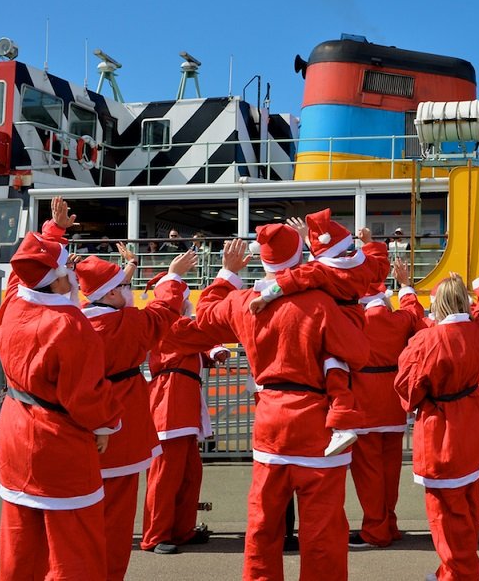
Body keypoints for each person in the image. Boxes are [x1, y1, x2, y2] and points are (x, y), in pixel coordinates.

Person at [195, 234, 371, 581]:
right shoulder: (320, 303)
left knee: (263, 527)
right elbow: (359, 354)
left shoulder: (243, 301)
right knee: (323, 532)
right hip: (317, 425)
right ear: (299, 260)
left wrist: (227, 274)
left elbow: (204, 316)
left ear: (262, 262)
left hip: (270, 423)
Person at [0, 197, 122, 580]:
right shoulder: (69, 325)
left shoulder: (12, 305)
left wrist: (53, 232)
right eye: (67, 265)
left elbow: (27, 272)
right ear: (57, 277)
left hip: (15, 432)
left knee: (20, 543)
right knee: (74, 548)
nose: (72, 269)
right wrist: (106, 426)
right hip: (58, 442)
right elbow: (86, 396)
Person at [75, 244, 196, 577]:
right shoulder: (126, 324)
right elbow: (163, 310)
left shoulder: (72, 321)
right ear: (111, 293)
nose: (127, 289)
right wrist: (174, 276)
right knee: (115, 516)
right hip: (121, 425)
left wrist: (128, 267)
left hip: (78, 429)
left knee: (77, 517)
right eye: (123, 285)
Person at [394, 246, 479, 581]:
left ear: (439, 304)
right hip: (471, 426)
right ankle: (455, 567)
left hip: (439, 432)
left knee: (443, 514)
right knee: (469, 506)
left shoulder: (426, 341)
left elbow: (407, 389)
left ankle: (457, 573)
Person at [249, 210, 391, 455]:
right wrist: (369, 244)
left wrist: (265, 296)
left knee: (333, 367)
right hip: (356, 318)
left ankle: (342, 423)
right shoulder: (363, 264)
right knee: (339, 369)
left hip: (335, 319)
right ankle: (341, 419)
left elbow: (291, 280)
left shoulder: (320, 270)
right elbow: (380, 266)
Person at [348, 259, 425, 549]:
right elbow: (415, 312)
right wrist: (405, 284)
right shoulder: (398, 319)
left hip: (364, 402)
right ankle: (389, 523)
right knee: (390, 469)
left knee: (368, 472)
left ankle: (375, 528)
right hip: (394, 402)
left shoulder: (354, 320)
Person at [141, 301, 230, 554]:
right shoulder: (173, 325)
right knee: (165, 476)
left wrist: (213, 353)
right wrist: (215, 348)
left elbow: (197, 345)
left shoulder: (176, 328)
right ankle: (156, 535)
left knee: (189, 473)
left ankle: (181, 529)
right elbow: (204, 334)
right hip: (171, 405)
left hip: (182, 406)